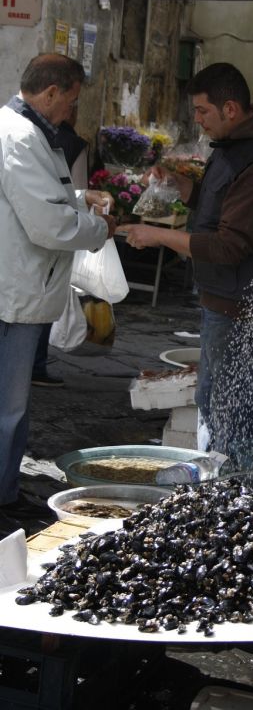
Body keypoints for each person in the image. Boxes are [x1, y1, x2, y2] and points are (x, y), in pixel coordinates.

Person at [121, 62, 253, 451]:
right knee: (214, 397)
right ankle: (222, 475)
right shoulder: (234, 148)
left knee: (227, 404)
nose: (198, 121)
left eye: (203, 112)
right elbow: (218, 205)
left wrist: (159, 235)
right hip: (225, 297)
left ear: (231, 109)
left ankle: (233, 479)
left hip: (242, 303)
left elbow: (229, 245)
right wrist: (182, 185)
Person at [0, 53, 116, 528]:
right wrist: (98, 229)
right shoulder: (20, 136)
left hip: (22, 285)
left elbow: (35, 195)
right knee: (9, 409)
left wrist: (76, 197)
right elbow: (48, 225)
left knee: (14, 407)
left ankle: (6, 490)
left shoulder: (27, 132)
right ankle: (2, 498)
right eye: (70, 101)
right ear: (49, 93)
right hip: (15, 292)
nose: (71, 111)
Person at [31, 108, 90, 387]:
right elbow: (78, 194)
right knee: (45, 300)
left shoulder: (32, 139)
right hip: (57, 233)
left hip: (30, 235)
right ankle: (37, 365)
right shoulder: (74, 145)